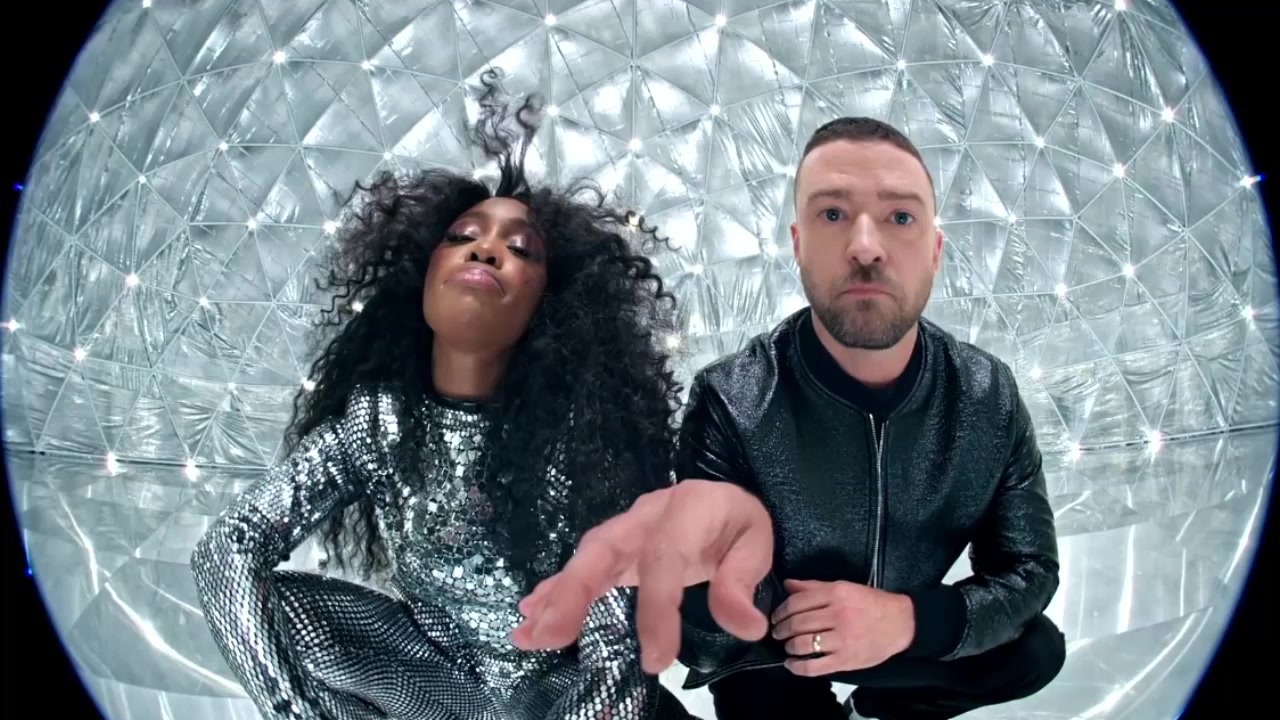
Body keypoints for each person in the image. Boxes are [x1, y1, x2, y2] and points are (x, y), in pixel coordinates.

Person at [512, 117, 1066, 720]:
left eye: (900, 217)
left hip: (899, 638)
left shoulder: (987, 396)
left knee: (1034, 650)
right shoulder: (732, 397)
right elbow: (712, 644)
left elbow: (1029, 569)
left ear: (934, 251)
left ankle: (880, 705)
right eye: (833, 214)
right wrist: (706, 587)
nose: (865, 246)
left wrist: (905, 620)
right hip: (776, 652)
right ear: (798, 245)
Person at [190, 69, 695, 720]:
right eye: (462, 237)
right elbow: (228, 547)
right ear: (420, 272)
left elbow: (613, 646)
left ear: (554, 302)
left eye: (520, 250)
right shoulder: (378, 420)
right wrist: (297, 711)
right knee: (278, 608)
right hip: (436, 683)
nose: (485, 251)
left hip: (560, 691)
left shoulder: (585, 433)